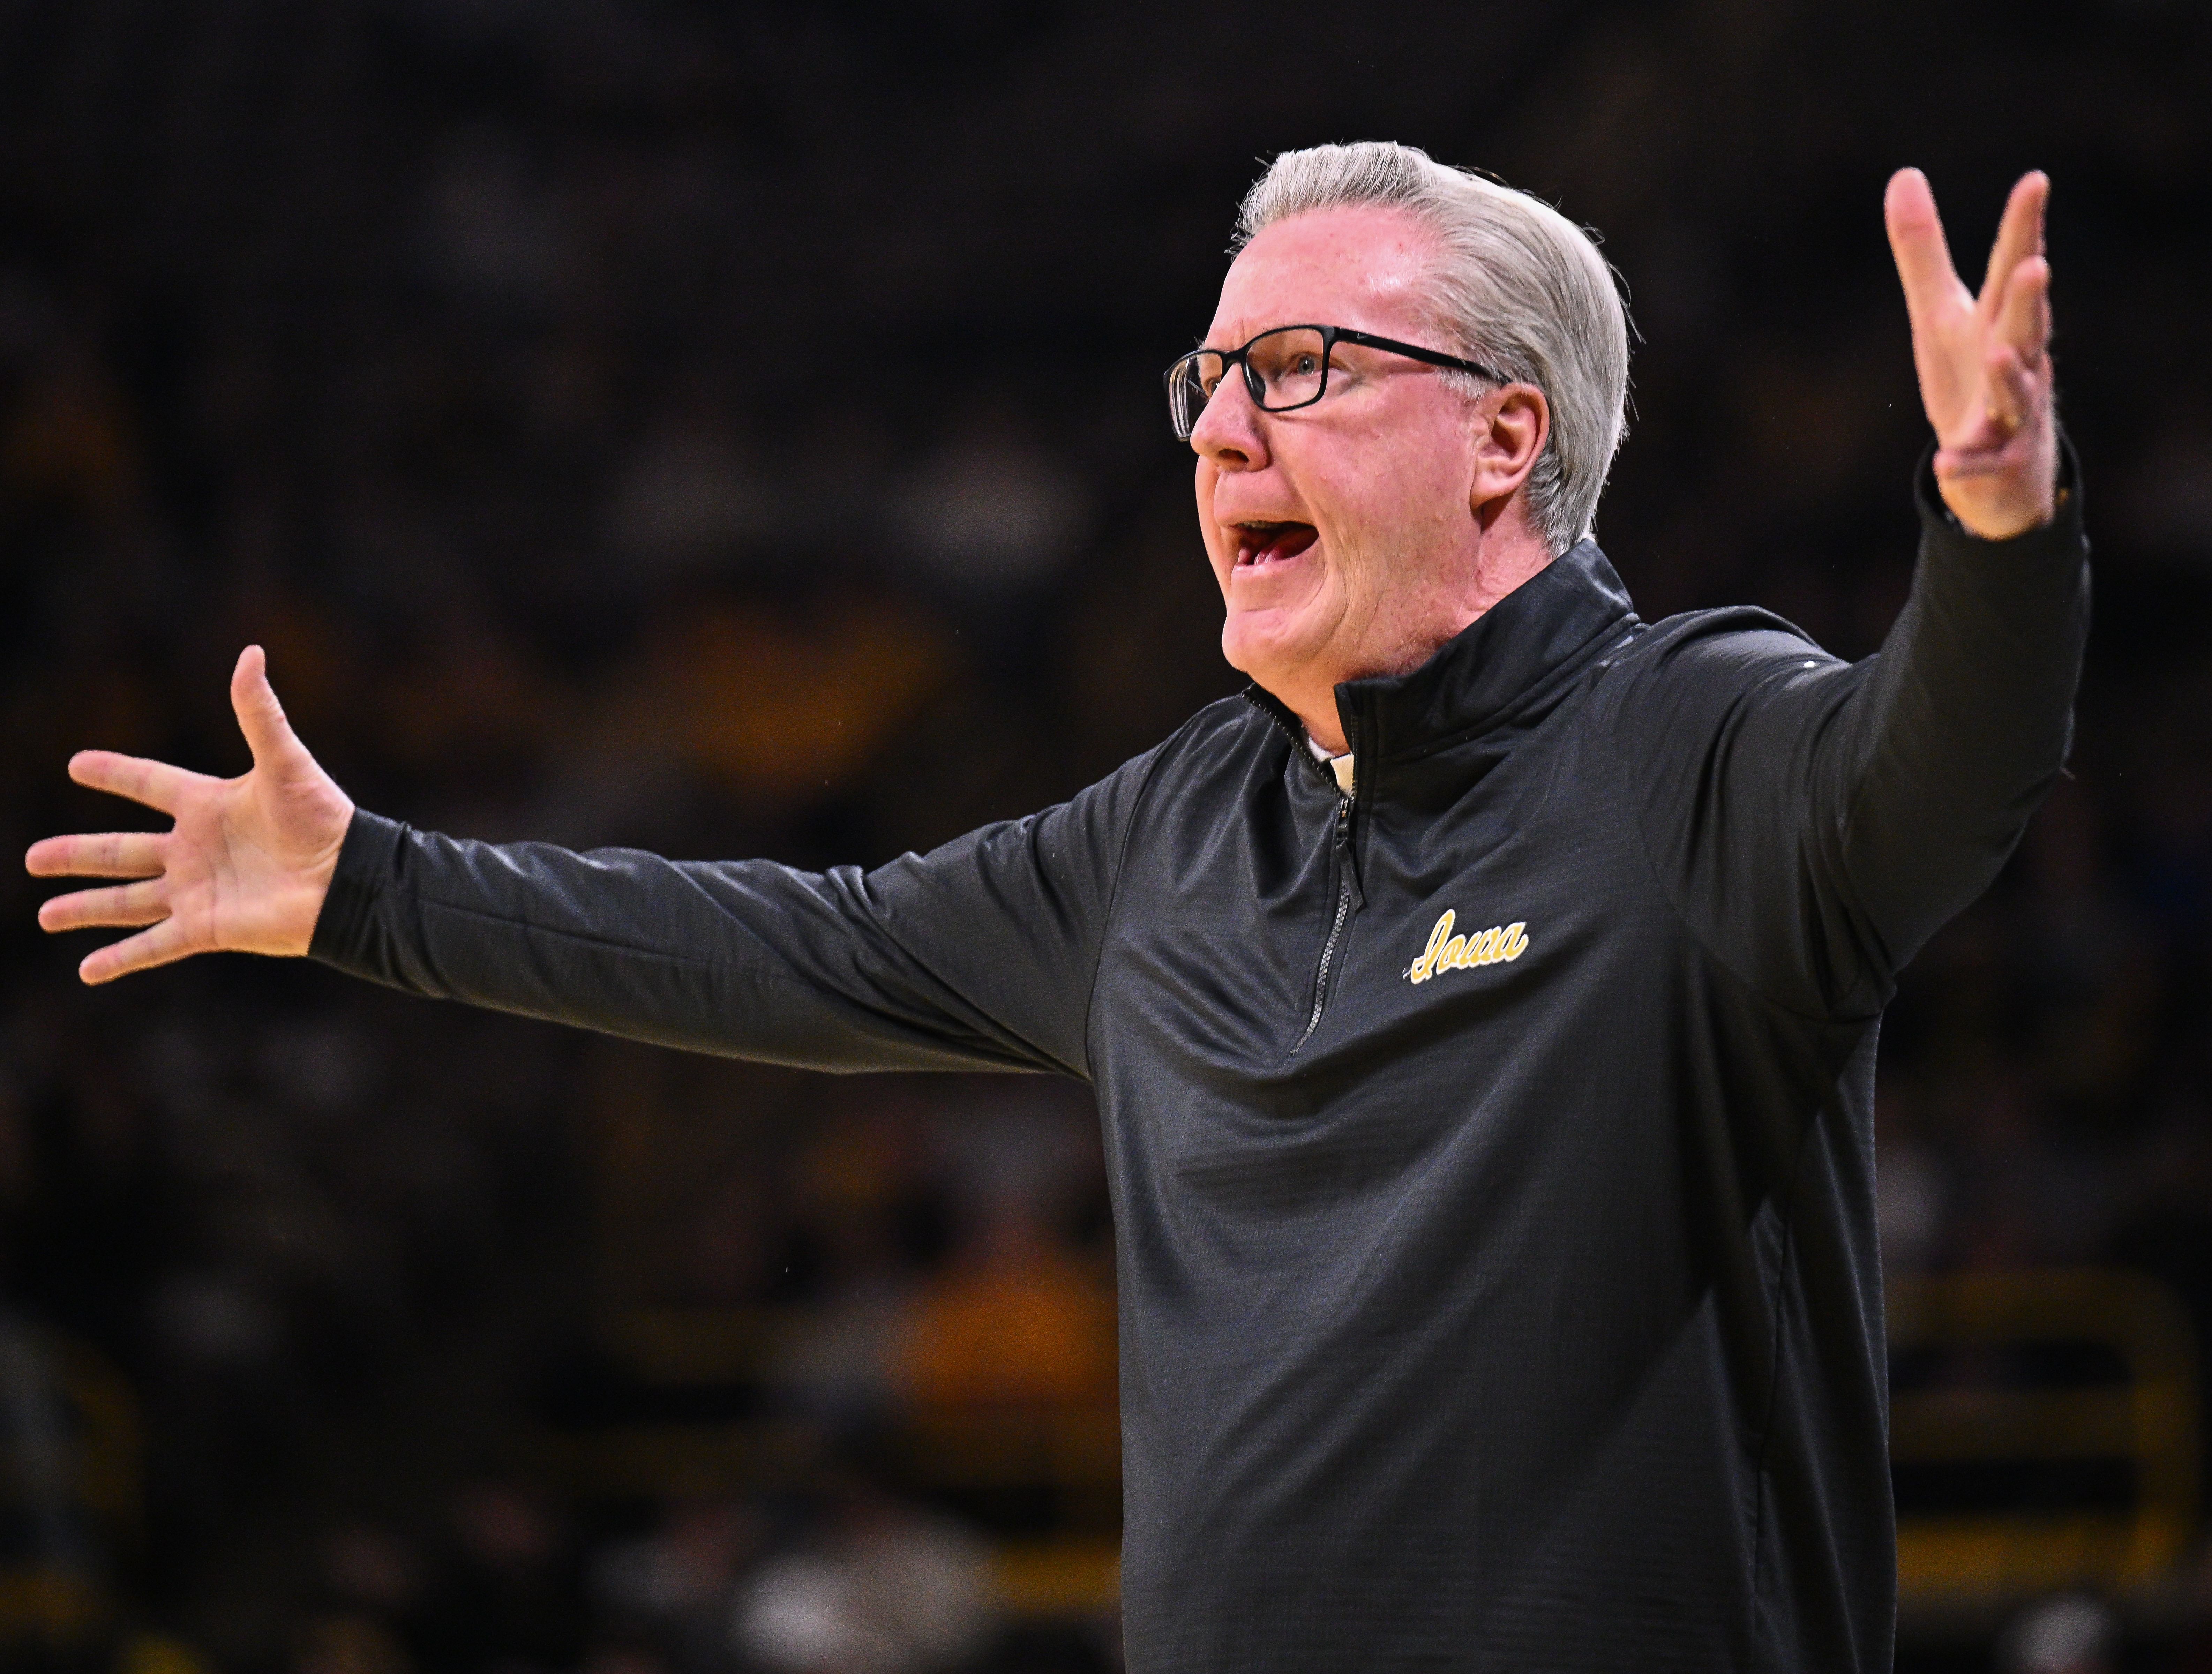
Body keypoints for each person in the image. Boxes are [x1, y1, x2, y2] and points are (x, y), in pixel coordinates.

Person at [28, 142, 2086, 1672]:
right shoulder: (1180, 831)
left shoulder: (1689, 744)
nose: (1215, 430)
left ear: (1503, 438)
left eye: (1294, 367)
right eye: (1204, 378)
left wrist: (1994, 528)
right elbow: (802, 948)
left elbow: (1938, 778)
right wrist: (371, 890)